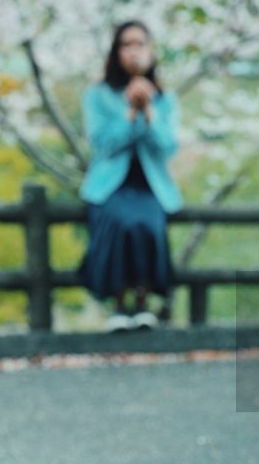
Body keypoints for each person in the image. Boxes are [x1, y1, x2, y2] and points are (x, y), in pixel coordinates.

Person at [78, 20, 182, 331]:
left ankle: (143, 301)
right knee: (121, 223)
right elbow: (102, 145)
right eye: (127, 44)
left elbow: (168, 147)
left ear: (151, 51)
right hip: (110, 185)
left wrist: (149, 111)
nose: (134, 51)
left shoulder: (165, 98)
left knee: (147, 224)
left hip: (149, 184)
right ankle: (118, 304)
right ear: (115, 51)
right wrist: (130, 114)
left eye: (140, 44)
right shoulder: (98, 94)